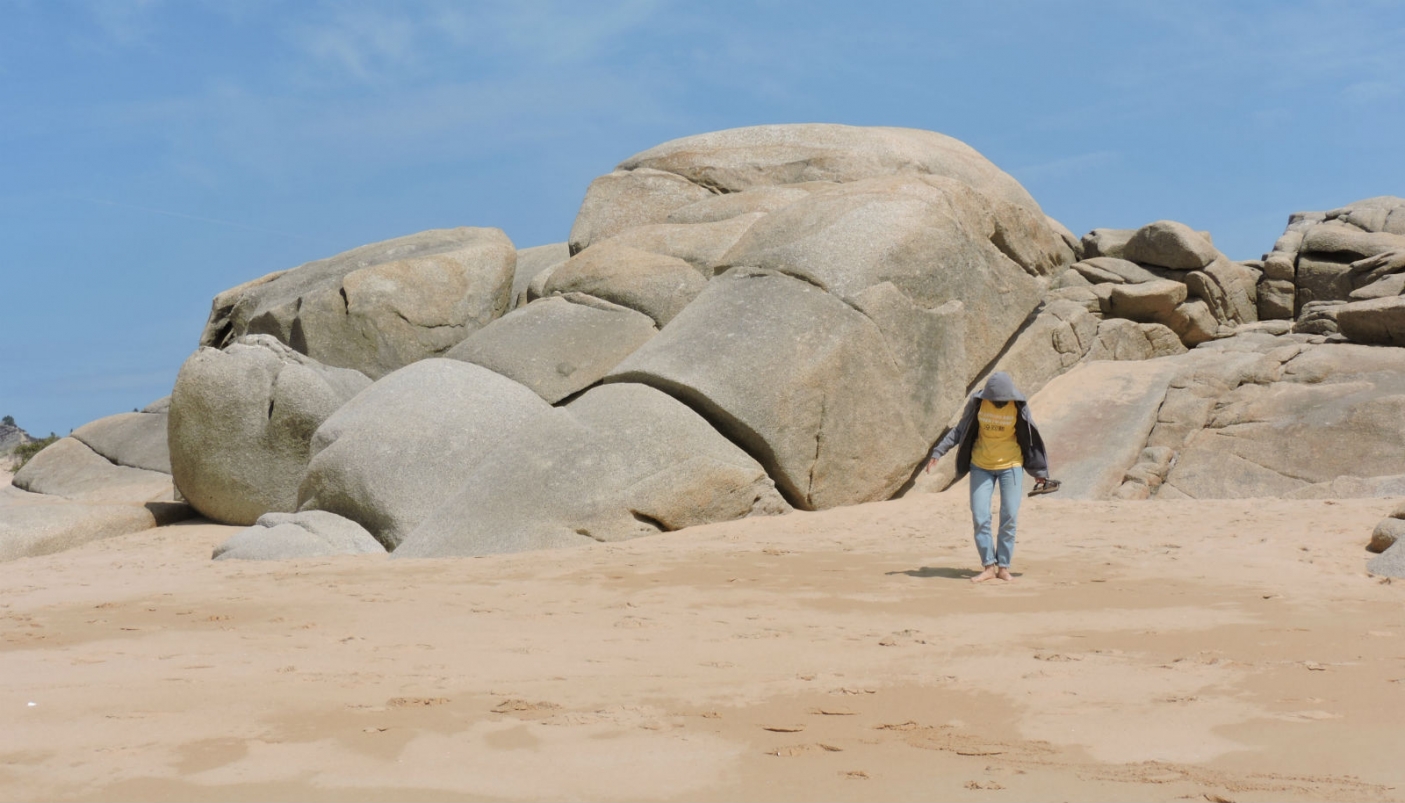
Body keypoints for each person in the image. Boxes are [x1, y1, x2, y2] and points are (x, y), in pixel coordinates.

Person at [925, 372, 1058, 583]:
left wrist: (1039, 473)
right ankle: (988, 566)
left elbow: (1031, 438)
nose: (998, 403)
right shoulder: (977, 402)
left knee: (1009, 516)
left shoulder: (1018, 405)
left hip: (1011, 466)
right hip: (981, 466)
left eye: (1002, 400)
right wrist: (938, 452)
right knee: (980, 517)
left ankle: (1003, 567)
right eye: (994, 400)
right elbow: (960, 430)